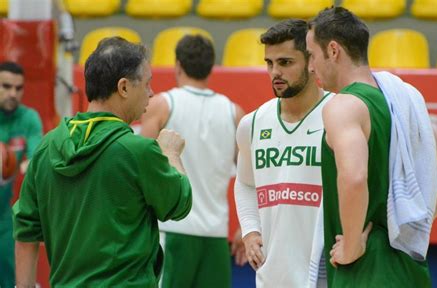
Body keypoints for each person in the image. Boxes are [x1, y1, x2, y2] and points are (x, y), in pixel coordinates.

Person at [12, 37, 193, 287]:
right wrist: (171, 154)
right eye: (147, 84)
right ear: (124, 87)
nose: (151, 93)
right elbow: (179, 204)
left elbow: (25, 230)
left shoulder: (46, 146)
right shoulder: (138, 150)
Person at [305, 7, 437, 287]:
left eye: (312, 56)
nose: (310, 67)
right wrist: (409, 227)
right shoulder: (402, 102)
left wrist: (352, 246)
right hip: (409, 267)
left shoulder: (343, 106)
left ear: (333, 50)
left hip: (365, 271)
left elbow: (354, 178)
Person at [141, 34, 246, 288]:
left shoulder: (160, 105)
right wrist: (247, 226)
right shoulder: (234, 112)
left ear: (177, 64)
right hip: (215, 235)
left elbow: (140, 166)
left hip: (172, 230)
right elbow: (249, 177)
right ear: (212, 67)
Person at [234, 19, 333, 288]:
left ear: (311, 61)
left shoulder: (339, 114)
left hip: (326, 273)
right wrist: (251, 230)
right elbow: (244, 183)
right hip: (272, 276)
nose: (275, 72)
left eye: (285, 63)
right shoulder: (252, 124)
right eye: (269, 63)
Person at [0, 61, 43, 288]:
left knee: (11, 279)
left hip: (4, 216)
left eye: (18, 88)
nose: (12, 93)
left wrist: (30, 164)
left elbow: (37, 159)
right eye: (6, 86)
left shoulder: (28, 118)